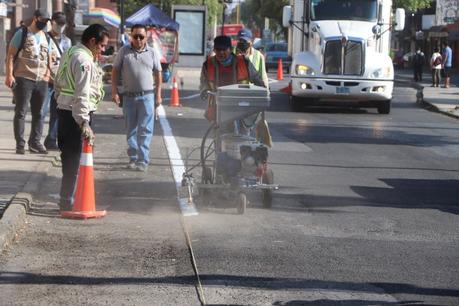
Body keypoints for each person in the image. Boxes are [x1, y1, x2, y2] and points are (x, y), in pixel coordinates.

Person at [54, 24, 108, 212]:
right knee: (74, 161)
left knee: (68, 158)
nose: (102, 50)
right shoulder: (84, 60)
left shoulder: (70, 52)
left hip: (64, 110)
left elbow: (57, 81)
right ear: (92, 41)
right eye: (101, 46)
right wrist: (84, 122)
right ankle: (69, 202)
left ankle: (65, 199)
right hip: (76, 115)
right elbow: (82, 94)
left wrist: (60, 101)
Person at [111, 24, 162, 172]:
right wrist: (114, 91)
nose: (138, 39)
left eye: (141, 36)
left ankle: (143, 160)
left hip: (147, 97)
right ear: (130, 37)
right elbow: (115, 71)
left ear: (146, 37)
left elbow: (158, 74)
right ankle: (133, 158)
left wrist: (158, 94)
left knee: (145, 130)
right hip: (128, 98)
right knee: (131, 130)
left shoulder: (152, 53)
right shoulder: (123, 51)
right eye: (135, 36)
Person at [4, 9, 52, 154]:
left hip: (41, 80)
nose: (44, 23)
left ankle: (35, 143)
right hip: (24, 79)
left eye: (47, 21)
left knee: (39, 113)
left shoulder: (46, 37)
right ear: (35, 18)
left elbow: (48, 58)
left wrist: (47, 74)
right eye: (42, 20)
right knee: (21, 112)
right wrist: (9, 76)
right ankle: (20, 144)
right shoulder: (23, 34)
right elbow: (11, 55)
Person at [200, 35, 266, 137]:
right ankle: (219, 149)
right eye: (218, 50)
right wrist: (204, 90)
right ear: (214, 50)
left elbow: (256, 78)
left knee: (244, 133)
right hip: (219, 105)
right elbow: (203, 83)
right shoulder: (208, 65)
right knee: (219, 133)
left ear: (230, 50)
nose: (221, 52)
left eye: (224, 49)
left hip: (241, 104)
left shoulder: (243, 62)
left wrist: (263, 90)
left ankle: (244, 147)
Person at [43, 12, 72, 151]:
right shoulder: (45, 38)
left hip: (60, 83)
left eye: (62, 24)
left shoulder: (67, 41)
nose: (60, 26)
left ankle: (51, 140)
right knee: (41, 112)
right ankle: (34, 140)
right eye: (58, 23)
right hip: (46, 80)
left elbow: (68, 60)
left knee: (57, 113)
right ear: (52, 22)